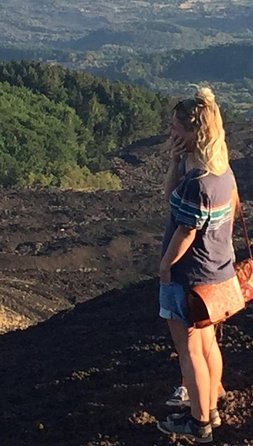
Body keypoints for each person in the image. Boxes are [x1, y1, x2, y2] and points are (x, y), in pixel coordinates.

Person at [156, 86, 237, 443]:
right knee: (207, 346)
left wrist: (165, 266)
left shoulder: (197, 183)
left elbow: (185, 230)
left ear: (195, 132)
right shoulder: (223, 174)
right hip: (218, 273)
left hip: (189, 277)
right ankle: (212, 410)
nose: (172, 132)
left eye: (177, 127)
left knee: (188, 353)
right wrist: (175, 160)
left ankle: (199, 422)